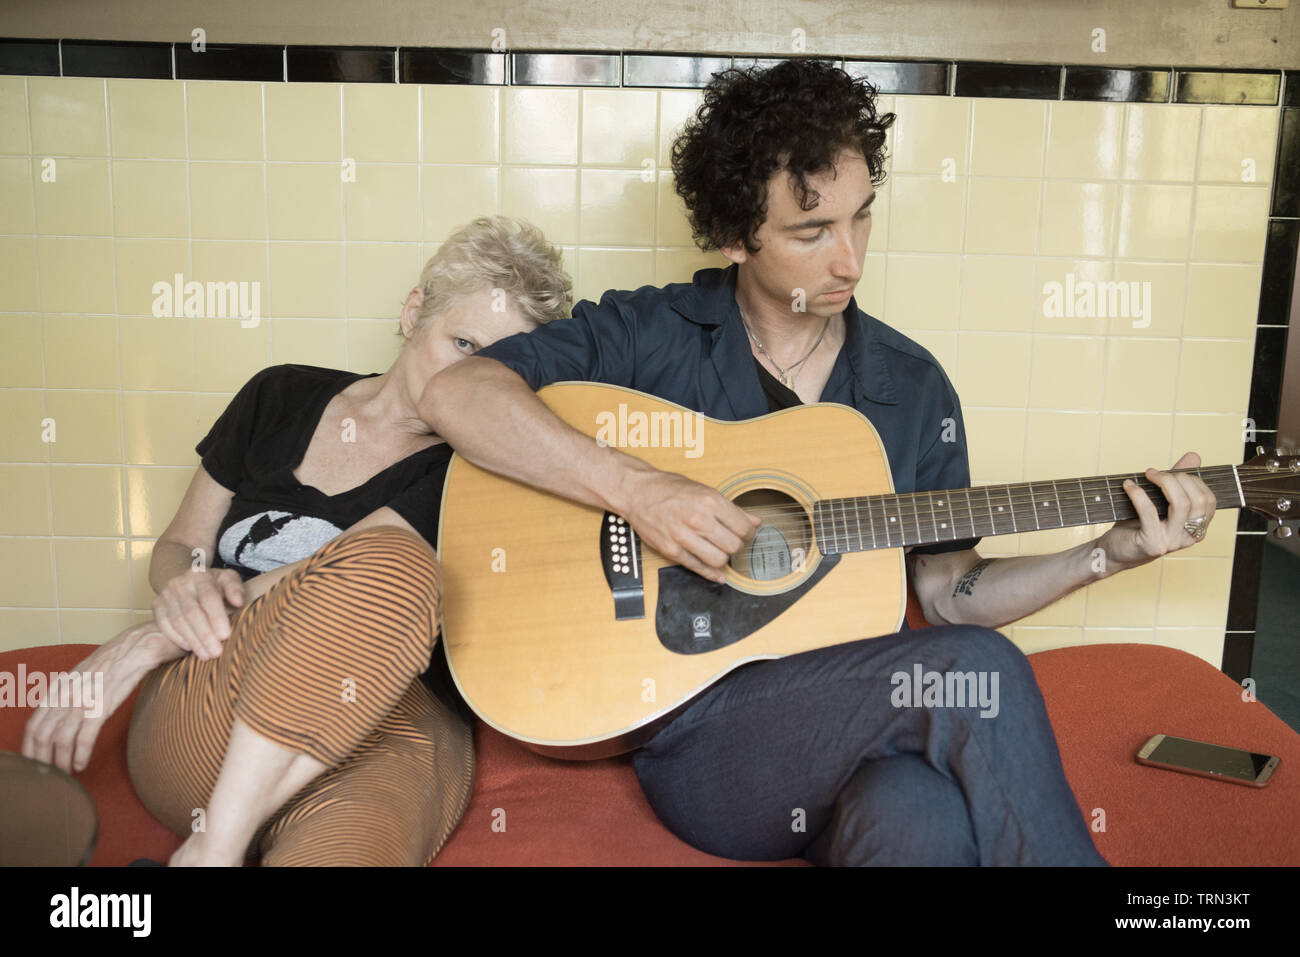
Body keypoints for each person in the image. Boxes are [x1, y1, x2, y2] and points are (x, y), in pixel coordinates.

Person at [415, 61, 1219, 865]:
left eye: (860, 219)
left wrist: (1106, 553)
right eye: (812, 233)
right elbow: (458, 395)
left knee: (919, 820)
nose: (850, 261)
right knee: (985, 672)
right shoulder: (650, 334)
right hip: (701, 734)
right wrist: (640, 489)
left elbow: (947, 596)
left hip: (851, 723)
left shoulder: (909, 386)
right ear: (735, 236)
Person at [21, 215, 573, 866]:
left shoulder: (474, 469)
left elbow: (364, 572)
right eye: (463, 344)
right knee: (397, 563)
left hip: (387, 726)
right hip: (215, 698)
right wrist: (182, 594)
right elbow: (179, 546)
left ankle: (206, 854)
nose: (472, 383)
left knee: (395, 567)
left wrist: (149, 638)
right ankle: (215, 844)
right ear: (413, 311)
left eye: (503, 369)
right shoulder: (278, 394)